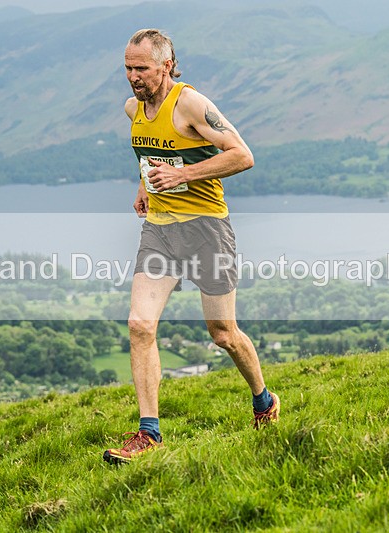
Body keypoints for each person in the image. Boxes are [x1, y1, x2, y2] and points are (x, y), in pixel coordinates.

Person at [103, 29, 279, 465]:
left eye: (141, 68)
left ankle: (264, 400)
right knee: (140, 326)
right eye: (127, 67)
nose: (132, 76)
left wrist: (179, 178)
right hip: (160, 230)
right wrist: (145, 185)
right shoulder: (134, 109)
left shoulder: (192, 105)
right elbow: (149, 153)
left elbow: (242, 155)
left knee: (223, 334)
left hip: (207, 230)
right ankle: (149, 434)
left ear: (166, 65)